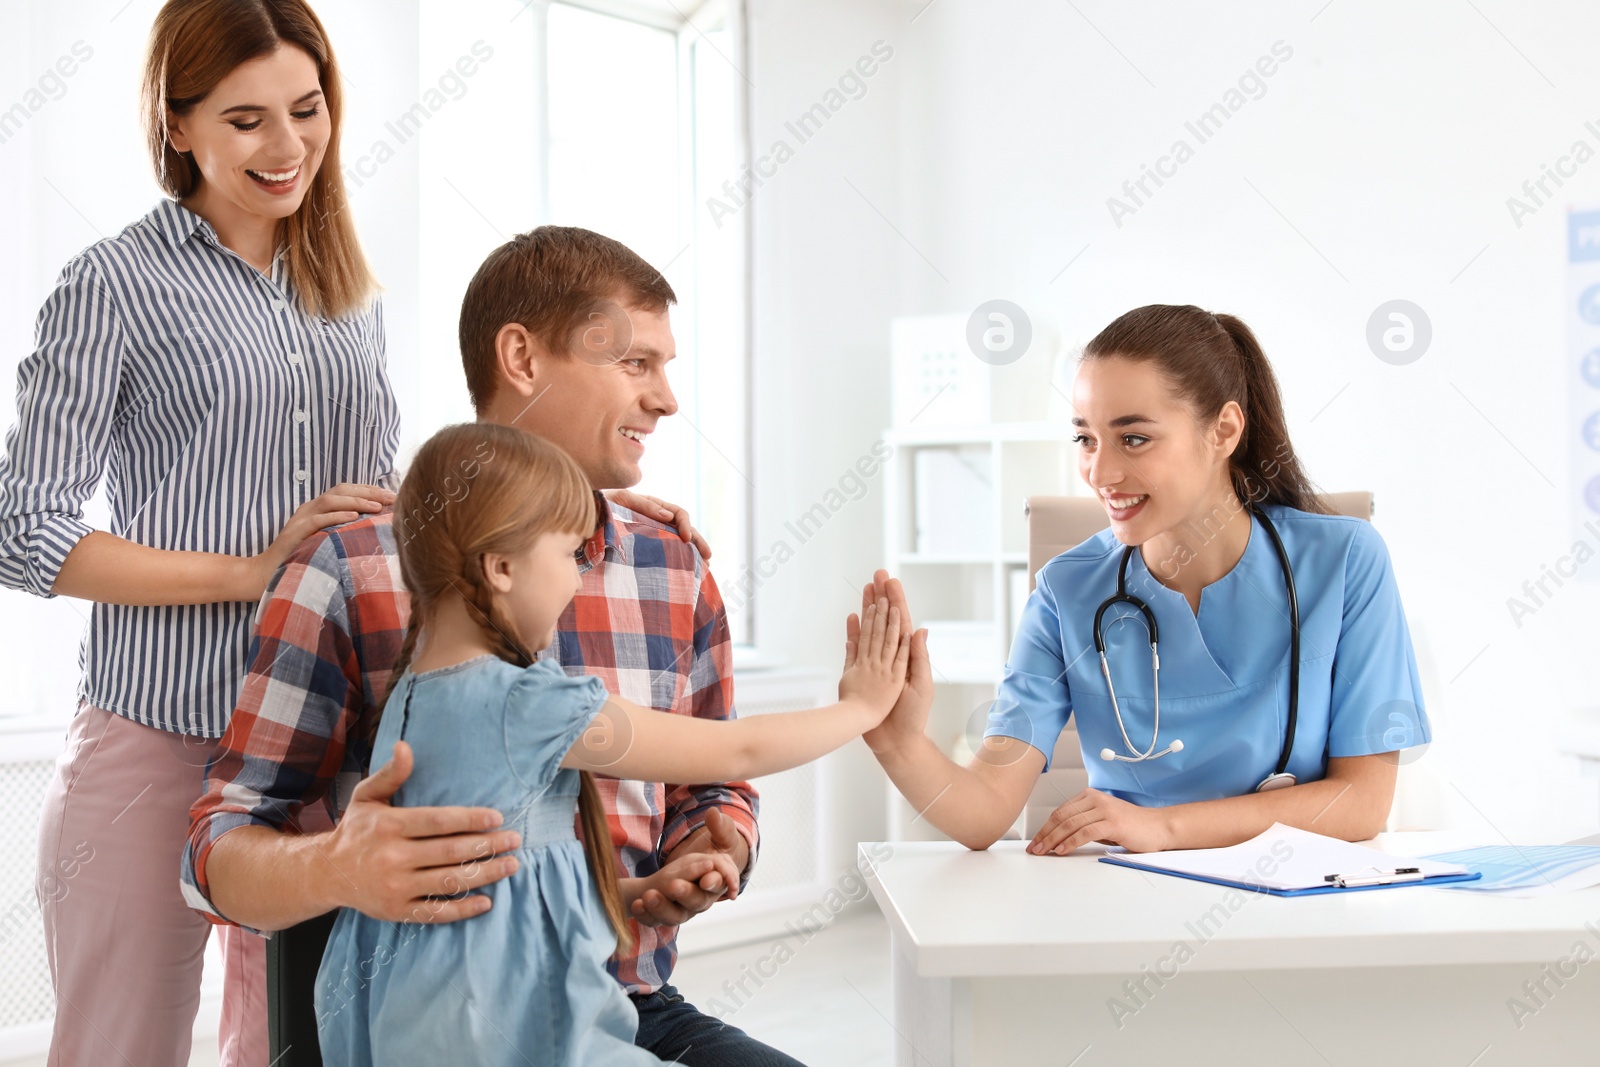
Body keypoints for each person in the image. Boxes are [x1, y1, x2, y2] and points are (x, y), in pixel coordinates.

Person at [185, 226, 809, 1064]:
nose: (666, 400)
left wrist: (707, 853)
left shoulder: (672, 565)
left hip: (619, 1006)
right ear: (520, 355)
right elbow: (218, 844)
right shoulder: (353, 564)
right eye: (636, 363)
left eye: (666, 367)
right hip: (445, 1021)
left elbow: (716, 785)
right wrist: (336, 865)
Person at [0, 2, 400, 1062]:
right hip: (156, 735)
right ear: (177, 127)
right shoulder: (113, 282)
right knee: (118, 1048)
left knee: (291, 1045)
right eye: (245, 120)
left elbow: (385, 500)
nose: (288, 147)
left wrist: (590, 504)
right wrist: (249, 569)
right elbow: (23, 526)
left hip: (312, 743)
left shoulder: (349, 290)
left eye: (307, 111)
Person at [312, 422, 907, 1065]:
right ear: (502, 567)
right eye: (569, 554)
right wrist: (861, 707)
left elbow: (498, 887)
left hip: (415, 1023)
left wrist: (627, 896)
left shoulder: (414, 692)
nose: (576, 580)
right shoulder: (524, 703)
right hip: (498, 1031)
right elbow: (738, 751)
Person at [865, 303, 1430, 855]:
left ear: (1224, 431)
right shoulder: (1069, 590)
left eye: (1133, 438)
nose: (1100, 472)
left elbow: (1362, 804)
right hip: (1130, 901)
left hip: (1296, 896)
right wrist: (900, 744)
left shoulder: (1345, 560)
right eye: (1086, 438)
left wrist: (1162, 828)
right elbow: (987, 807)